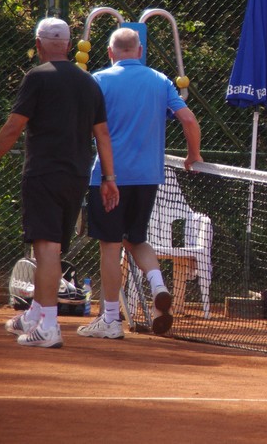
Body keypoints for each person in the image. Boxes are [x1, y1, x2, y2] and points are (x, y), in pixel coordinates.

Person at [0, 18, 119, 349]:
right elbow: (103, 134)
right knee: (51, 248)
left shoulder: (36, 77)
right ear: (68, 45)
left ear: (38, 45)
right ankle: (36, 313)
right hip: (77, 176)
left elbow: (13, 127)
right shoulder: (89, 83)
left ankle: (49, 326)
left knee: (46, 248)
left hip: (44, 173)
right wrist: (109, 178)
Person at [77, 27, 202, 339]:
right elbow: (188, 119)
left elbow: (84, 128)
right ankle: (158, 286)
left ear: (110, 52)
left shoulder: (97, 80)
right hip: (148, 177)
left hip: (109, 176)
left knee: (110, 245)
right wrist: (193, 155)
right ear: (141, 51)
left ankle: (110, 320)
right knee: (136, 239)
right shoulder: (160, 80)